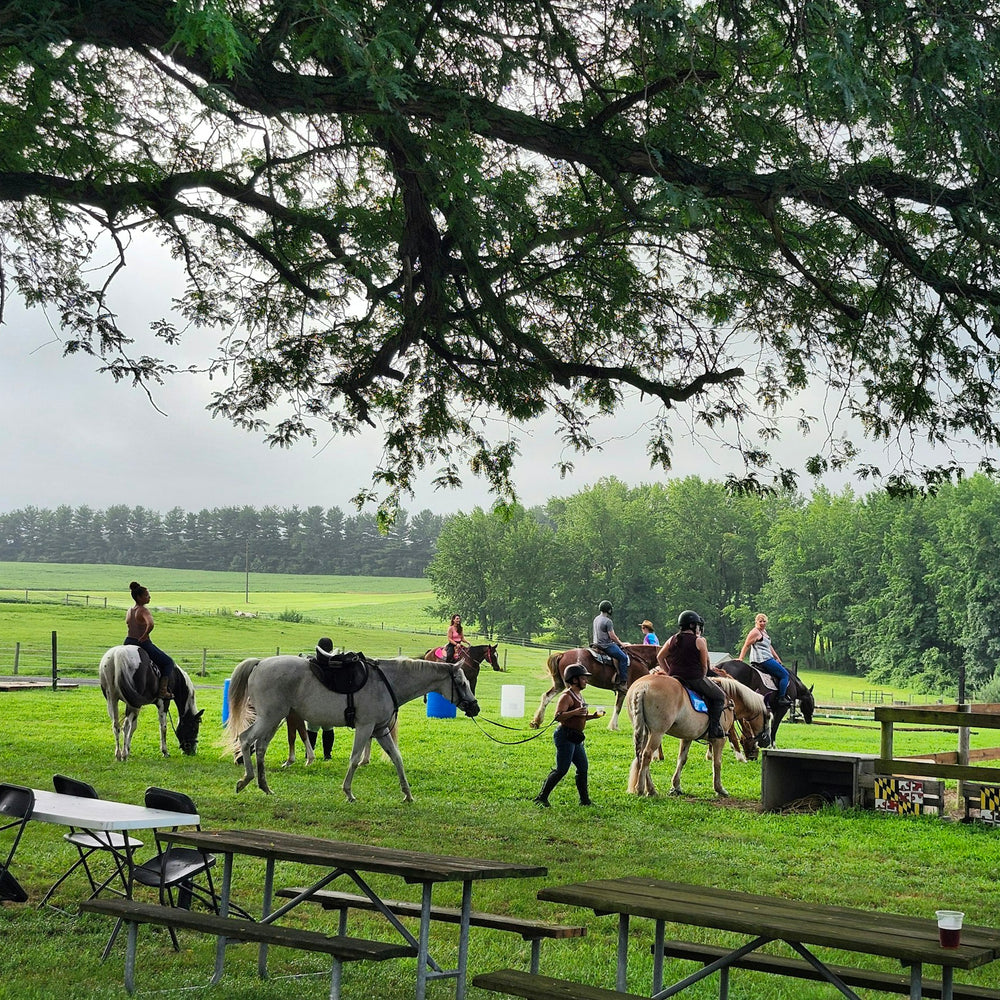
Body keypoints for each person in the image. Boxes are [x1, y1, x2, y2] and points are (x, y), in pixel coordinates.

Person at [533, 664, 604, 807]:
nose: (586, 681)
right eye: (583, 678)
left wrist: (592, 716)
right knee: (562, 769)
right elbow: (558, 717)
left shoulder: (579, 695)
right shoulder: (566, 696)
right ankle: (542, 797)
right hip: (565, 736)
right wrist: (575, 712)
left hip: (576, 737)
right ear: (574, 679)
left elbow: (579, 716)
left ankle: (585, 801)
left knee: (583, 768)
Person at [656, 609, 727, 739]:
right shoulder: (699, 641)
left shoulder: (672, 639)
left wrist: (668, 672)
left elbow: (660, 657)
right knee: (719, 696)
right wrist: (703, 676)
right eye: (698, 625)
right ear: (693, 625)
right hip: (693, 678)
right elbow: (704, 665)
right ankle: (714, 729)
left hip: (675, 677)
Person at [124, 580, 176, 700]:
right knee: (168, 662)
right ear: (139, 597)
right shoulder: (143, 610)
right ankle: (163, 691)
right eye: (147, 595)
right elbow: (151, 624)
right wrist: (144, 635)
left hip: (128, 641)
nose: (149, 597)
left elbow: (128, 624)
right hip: (142, 643)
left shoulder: (130, 610)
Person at [738, 612, 791, 706]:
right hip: (762, 659)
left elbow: (769, 646)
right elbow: (746, 645)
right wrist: (741, 658)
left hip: (769, 658)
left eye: (764, 621)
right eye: (760, 621)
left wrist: (777, 658)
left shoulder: (764, 632)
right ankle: (781, 697)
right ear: (756, 622)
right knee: (785, 675)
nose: (762, 623)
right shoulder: (755, 632)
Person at [593, 600, 629, 690]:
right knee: (623, 658)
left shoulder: (596, 618)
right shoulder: (608, 621)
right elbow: (612, 636)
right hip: (606, 645)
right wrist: (621, 643)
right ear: (608, 610)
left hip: (596, 643)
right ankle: (623, 682)